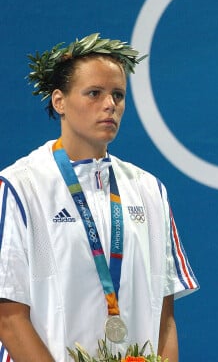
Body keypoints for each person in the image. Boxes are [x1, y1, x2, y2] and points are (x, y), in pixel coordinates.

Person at [0, 33, 199, 361]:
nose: (110, 105)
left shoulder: (149, 190)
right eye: (94, 93)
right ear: (59, 101)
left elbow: (164, 319)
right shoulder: (20, 187)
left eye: (118, 95)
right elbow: (8, 318)